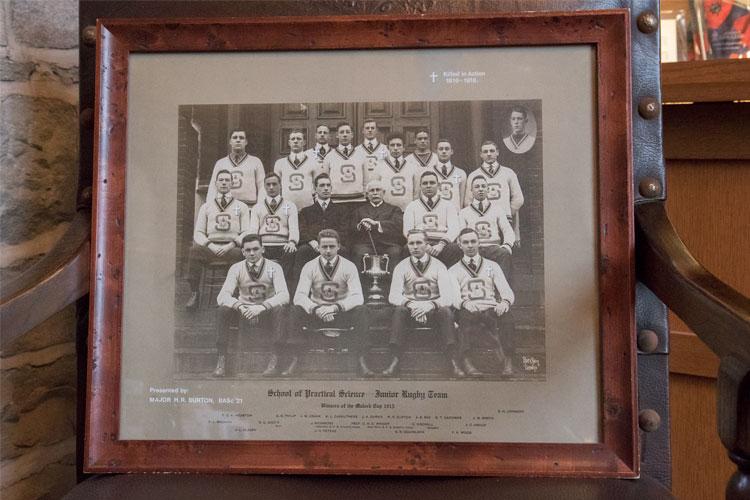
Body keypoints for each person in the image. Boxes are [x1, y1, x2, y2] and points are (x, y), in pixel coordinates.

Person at [291, 229, 372, 376]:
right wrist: (316, 309)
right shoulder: (309, 266)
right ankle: (295, 359)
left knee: (362, 310)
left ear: (339, 247)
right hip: (317, 314)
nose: (328, 250)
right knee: (295, 310)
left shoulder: (349, 266)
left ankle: (361, 360)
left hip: (340, 314)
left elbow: (358, 296)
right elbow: (299, 296)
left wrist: (336, 307)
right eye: (324, 247)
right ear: (318, 247)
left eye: (332, 246)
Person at [386, 229, 464, 378]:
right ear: (407, 245)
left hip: (432, 310)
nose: (415, 247)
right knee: (399, 311)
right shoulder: (401, 266)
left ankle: (453, 361)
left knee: (446, 311)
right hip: (411, 310)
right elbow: (393, 296)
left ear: (427, 244)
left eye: (419, 243)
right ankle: (394, 361)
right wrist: (414, 306)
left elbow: (447, 297)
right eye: (411, 243)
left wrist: (428, 306)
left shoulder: (439, 266)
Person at [214, 235, 294, 377]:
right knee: (222, 310)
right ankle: (222, 359)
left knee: (280, 308)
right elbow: (222, 296)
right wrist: (240, 306)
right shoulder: (236, 268)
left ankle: (275, 359)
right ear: (243, 252)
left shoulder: (274, 267)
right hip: (243, 311)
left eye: (256, 249)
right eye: (248, 250)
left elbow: (284, 295)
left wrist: (262, 307)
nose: (252, 253)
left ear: (263, 249)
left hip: (266, 312)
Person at [449, 228, 515, 376]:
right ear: (460, 245)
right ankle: (467, 362)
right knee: (463, 317)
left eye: (473, 241)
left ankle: (508, 361)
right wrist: (465, 303)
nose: (470, 245)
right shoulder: (453, 270)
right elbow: (454, 297)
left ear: (479, 243)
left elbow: (506, 290)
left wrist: (504, 302)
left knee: (508, 316)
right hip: (469, 308)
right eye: (465, 242)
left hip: (490, 307)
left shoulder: (493, 266)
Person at [185, 170, 250, 309]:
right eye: (221, 180)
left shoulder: (241, 206)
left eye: (227, 180)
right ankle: (195, 293)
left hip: (232, 248)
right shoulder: (206, 206)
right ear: (215, 183)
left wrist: (231, 244)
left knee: (241, 255)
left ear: (232, 183)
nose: (224, 183)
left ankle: (233, 295)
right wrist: (210, 245)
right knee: (194, 251)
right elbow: (199, 233)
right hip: (210, 247)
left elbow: (246, 231)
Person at [464, 141, 524, 242]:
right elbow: (468, 201)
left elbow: (518, 199)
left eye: (492, 151)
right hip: (482, 220)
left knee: (504, 250)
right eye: (485, 151)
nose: (489, 154)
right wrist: (479, 214)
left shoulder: (508, 173)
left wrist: (506, 213)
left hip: (505, 219)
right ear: (481, 154)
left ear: (497, 152)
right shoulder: (473, 175)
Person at [295, 173, 351, 278]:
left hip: (334, 245)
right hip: (313, 246)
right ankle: (299, 291)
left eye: (328, 185)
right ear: (315, 189)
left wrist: (331, 243)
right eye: (322, 185)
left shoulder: (342, 210)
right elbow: (302, 230)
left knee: (343, 251)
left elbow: (344, 231)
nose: (325, 188)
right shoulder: (306, 211)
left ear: (331, 188)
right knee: (302, 251)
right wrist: (312, 242)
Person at [459, 175, 515, 277]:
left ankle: (500, 290)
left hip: (493, 248)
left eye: (483, 186)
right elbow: (461, 234)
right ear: (471, 190)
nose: (480, 189)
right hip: (474, 248)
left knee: (505, 254)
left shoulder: (497, 209)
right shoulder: (464, 212)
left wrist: (507, 245)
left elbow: (507, 229)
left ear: (487, 189)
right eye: (477, 187)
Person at [402, 171, 462, 267]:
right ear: (420, 186)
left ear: (438, 185)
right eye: (425, 183)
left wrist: (441, 244)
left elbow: (454, 228)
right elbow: (408, 231)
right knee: (406, 248)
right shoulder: (412, 206)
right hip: (420, 244)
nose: (428, 186)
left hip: (442, 245)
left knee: (455, 249)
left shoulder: (448, 205)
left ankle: (449, 279)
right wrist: (424, 245)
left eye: (432, 183)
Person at [249, 173, 298, 287]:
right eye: (268, 185)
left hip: (283, 245)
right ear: (264, 187)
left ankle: (281, 289)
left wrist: (292, 242)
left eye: (274, 184)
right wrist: (255, 245)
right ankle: (259, 289)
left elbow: (294, 228)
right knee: (250, 254)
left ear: (280, 185)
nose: (271, 187)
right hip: (263, 245)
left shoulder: (290, 205)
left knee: (292, 253)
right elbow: (253, 229)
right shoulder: (258, 207)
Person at [351, 179, 405, 276]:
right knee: (360, 253)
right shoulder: (359, 211)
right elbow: (351, 228)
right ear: (367, 194)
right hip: (366, 244)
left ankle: (391, 287)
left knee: (395, 252)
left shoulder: (394, 209)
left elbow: (398, 226)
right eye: (372, 191)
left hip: (388, 244)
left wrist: (377, 224)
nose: (375, 193)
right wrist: (360, 225)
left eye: (378, 190)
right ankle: (363, 287)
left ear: (383, 192)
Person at [206, 129, 265, 208]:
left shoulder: (255, 162)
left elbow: (262, 186)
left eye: (241, 138)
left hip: (249, 206)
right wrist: (210, 207)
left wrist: (260, 207)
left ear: (246, 142)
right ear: (230, 141)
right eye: (235, 138)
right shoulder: (221, 163)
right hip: (226, 206)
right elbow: (213, 187)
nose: (238, 140)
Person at [368, 132, 419, 211]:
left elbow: (416, 193)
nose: (395, 148)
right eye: (392, 145)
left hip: (407, 211)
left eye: (398, 145)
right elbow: (374, 190)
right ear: (388, 147)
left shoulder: (412, 167)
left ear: (404, 147)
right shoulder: (379, 166)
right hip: (386, 213)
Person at [272, 129, 321, 210]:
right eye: (293, 139)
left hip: (308, 206)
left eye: (298, 139)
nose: (295, 141)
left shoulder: (313, 162)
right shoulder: (280, 163)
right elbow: (276, 187)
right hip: (286, 207)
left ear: (304, 142)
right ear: (289, 143)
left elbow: (318, 186)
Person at [324, 122, 368, 204]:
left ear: (352, 135)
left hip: (358, 200)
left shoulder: (361, 155)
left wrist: (364, 194)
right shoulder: (329, 156)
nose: (345, 135)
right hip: (336, 201)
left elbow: (366, 179)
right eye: (341, 132)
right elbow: (325, 179)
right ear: (337, 135)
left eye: (347, 132)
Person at [432, 139, 467, 209]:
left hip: (454, 214)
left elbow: (461, 198)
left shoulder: (460, 173)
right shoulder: (430, 172)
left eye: (447, 149)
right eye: (441, 149)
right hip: (436, 213)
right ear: (436, 152)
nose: (444, 151)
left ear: (452, 151)